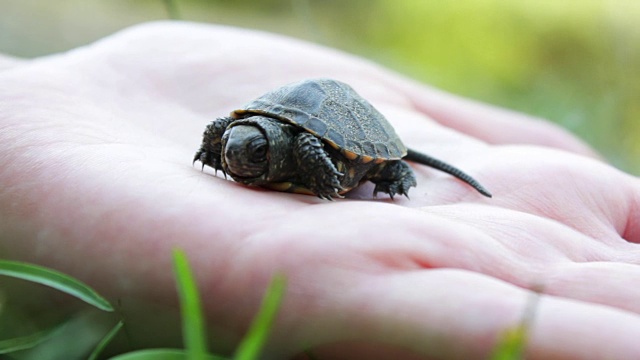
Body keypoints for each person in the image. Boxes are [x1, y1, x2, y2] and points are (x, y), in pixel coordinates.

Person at [1, 21, 638, 359]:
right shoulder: (237, 132)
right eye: (233, 150)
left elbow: (321, 148)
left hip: (341, 131)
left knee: (389, 167)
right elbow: (226, 133)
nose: (236, 155)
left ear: (272, 148)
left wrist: (349, 179)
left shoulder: (303, 146)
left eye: (247, 150)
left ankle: (397, 172)